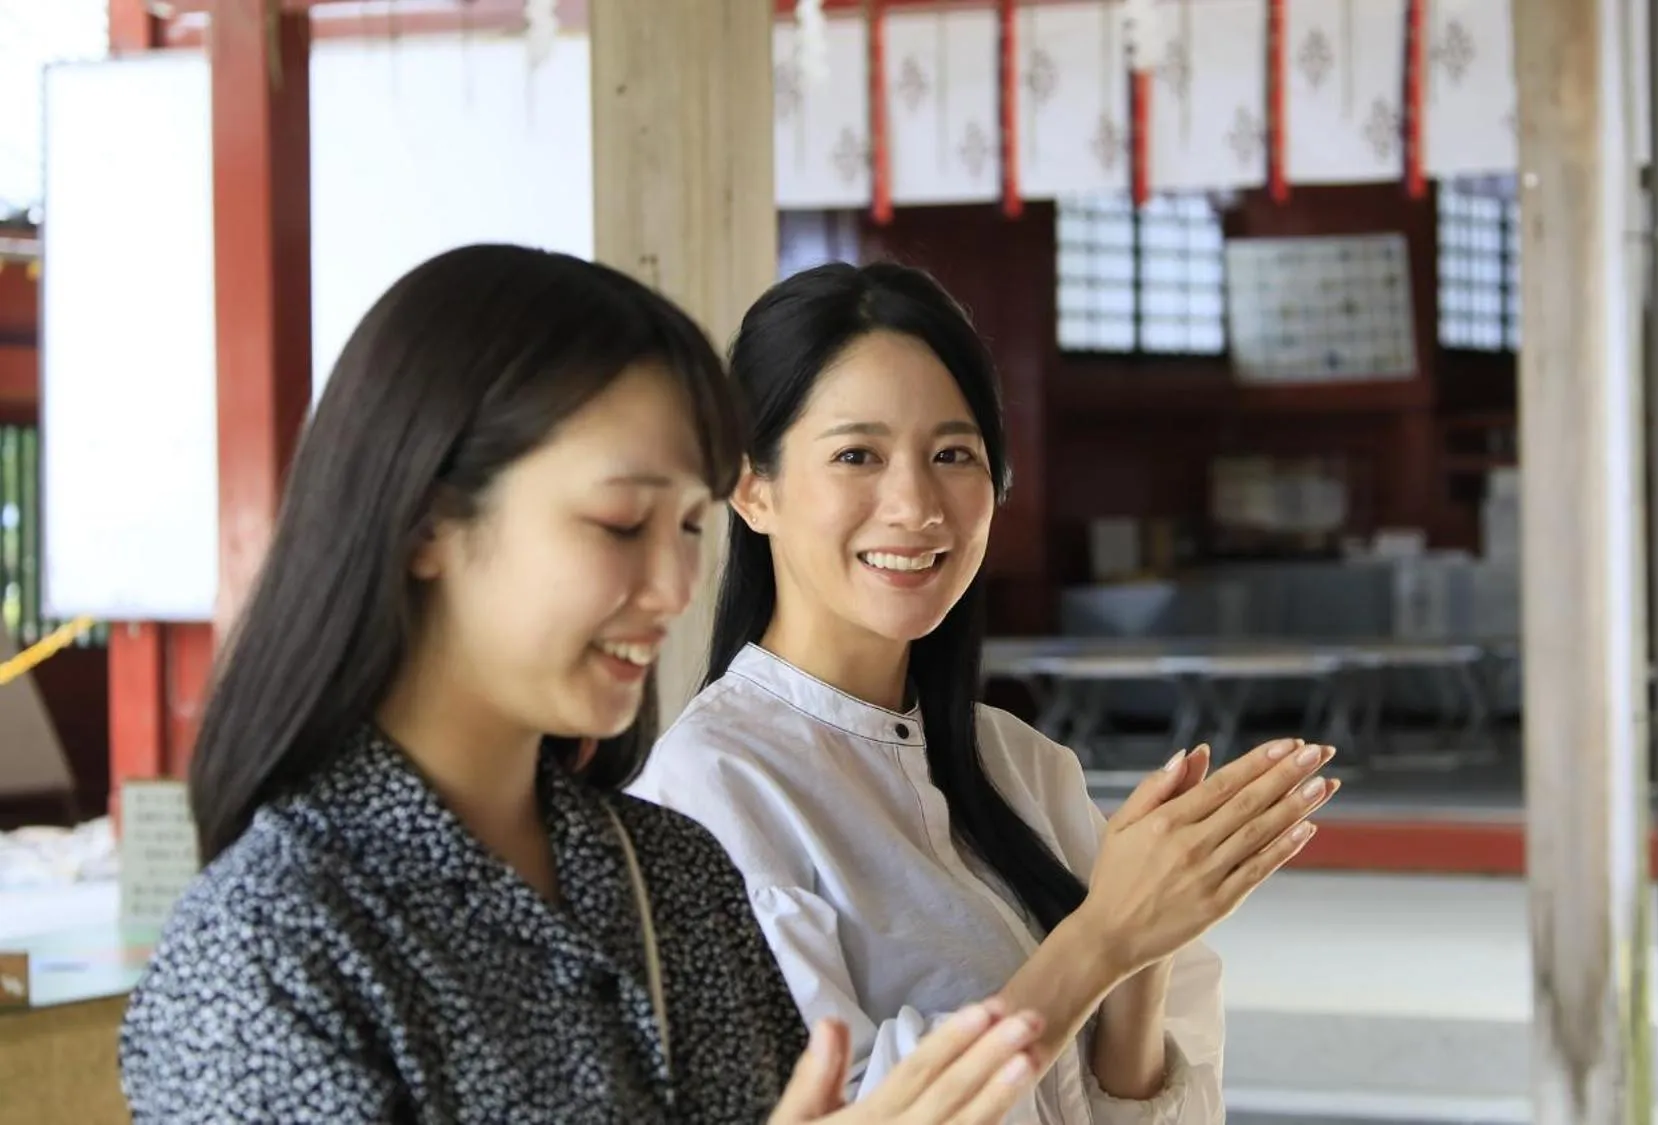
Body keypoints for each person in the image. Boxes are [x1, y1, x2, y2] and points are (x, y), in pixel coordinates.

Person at [118, 245, 1047, 1125]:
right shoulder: (266, 945)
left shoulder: (674, 877)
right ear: (427, 523)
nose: (673, 588)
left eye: (688, 527)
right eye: (618, 522)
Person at [628, 261, 1338, 1124]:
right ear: (752, 486)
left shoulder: (1023, 765)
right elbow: (844, 1110)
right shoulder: (705, 792)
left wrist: (1148, 949)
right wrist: (1101, 936)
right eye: (858, 454)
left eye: (952, 454)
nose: (916, 503)